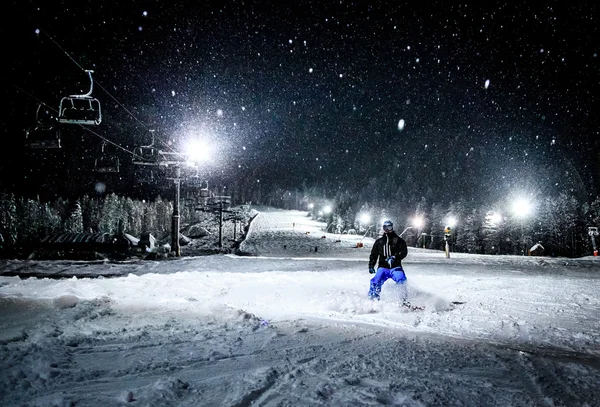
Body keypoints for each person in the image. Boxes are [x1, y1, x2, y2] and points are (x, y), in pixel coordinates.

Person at [367, 219, 410, 304]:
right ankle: (373, 300)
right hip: (383, 267)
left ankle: (402, 301)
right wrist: (371, 265)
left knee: (401, 280)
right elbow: (374, 254)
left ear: (392, 227)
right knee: (375, 281)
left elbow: (404, 252)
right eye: (385, 227)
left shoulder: (398, 240)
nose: (387, 230)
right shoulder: (379, 242)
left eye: (389, 227)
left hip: (395, 267)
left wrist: (395, 257)